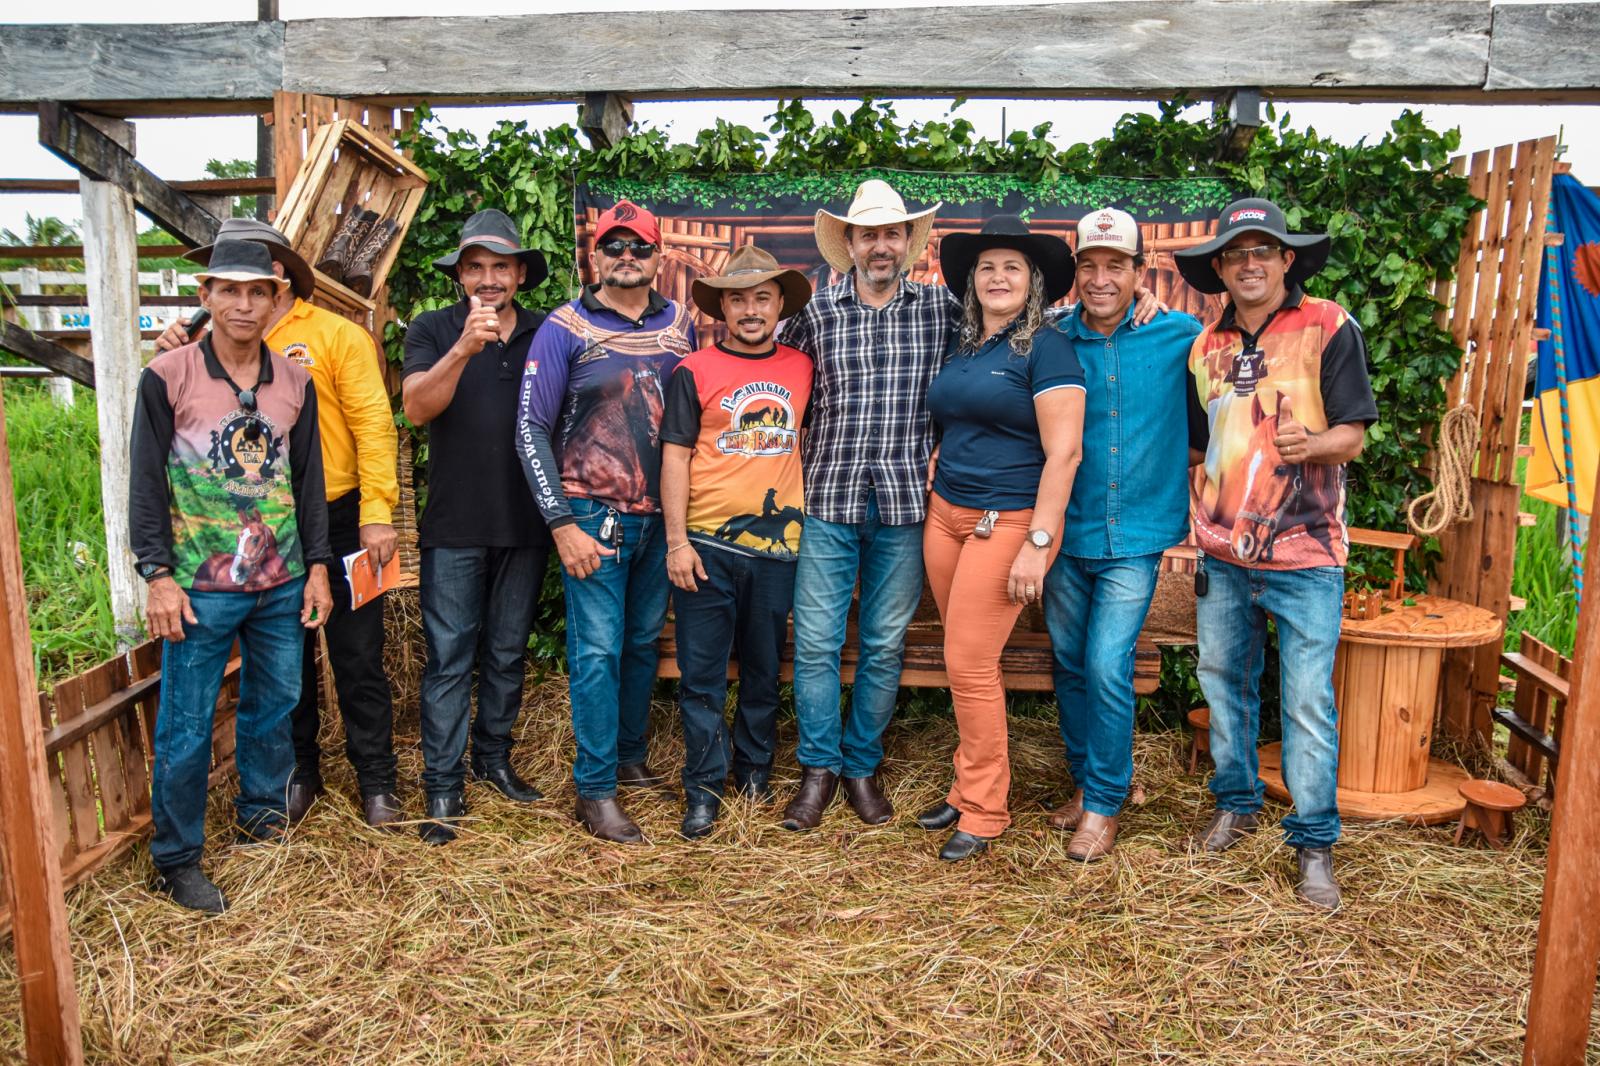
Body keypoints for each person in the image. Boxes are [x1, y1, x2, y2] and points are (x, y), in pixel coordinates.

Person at [161, 217, 402, 830]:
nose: (245, 292)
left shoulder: (335, 336)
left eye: (257, 275)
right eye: (230, 277)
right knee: (283, 664)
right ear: (214, 290)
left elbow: (375, 423)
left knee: (357, 654)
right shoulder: (207, 335)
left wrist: (378, 513)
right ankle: (298, 776)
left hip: (341, 516)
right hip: (259, 519)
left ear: (279, 275)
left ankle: (376, 779)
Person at [1174, 197, 1378, 910]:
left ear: (1287, 259)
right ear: (1221, 269)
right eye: (1236, 254)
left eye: (1263, 251)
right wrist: (1193, 520)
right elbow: (1200, 447)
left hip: (1307, 553)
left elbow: (1352, 434)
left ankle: (1315, 841)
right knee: (1223, 680)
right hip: (1223, 553)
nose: (1249, 263)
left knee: (1307, 703)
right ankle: (1235, 801)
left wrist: (1312, 445)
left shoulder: (1327, 325)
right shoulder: (1206, 347)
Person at [130, 240, 334, 913]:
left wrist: (316, 570)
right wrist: (157, 574)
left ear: (278, 299)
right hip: (198, 586)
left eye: (258, 292)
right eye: (229, 291)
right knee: (186, 723)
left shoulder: (294, 382)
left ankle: (261, 822)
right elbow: (144, 483)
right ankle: (178, 858)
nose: (243, 305)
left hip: (278, 584)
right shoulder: (168, 376)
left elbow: (310, 485)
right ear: (205, 294)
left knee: (272, 710)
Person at [517, 201, 697, 844]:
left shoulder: (681, 325)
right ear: (595, 256)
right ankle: (594, 791)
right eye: (613, 247)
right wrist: (561, 522)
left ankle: (628, 755)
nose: (627, 257)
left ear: (657, 258)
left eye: (639, 248)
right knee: (596, 651)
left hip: (661, 520)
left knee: (642, 643)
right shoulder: (564, 327)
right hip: (593, 514)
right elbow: (531, 428)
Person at [775, 179, 951, 831]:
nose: (881, 245)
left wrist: (1143, 302)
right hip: (827, 500)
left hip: (906, 506)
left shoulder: (940, 311)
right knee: (817, 643)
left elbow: (1009, 331)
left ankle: (861, 767)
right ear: (848, 244)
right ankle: (818, 769)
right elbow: (769, 376)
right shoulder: (814, 316)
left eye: (892, 233)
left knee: (882, 643)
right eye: (868, 233)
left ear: (907, 243)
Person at [910, 216, 1086, 862]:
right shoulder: (963, 345)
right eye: (986, 267)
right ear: (971, 282)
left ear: (1033, 280)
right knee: (967, 665)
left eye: (1012, 267)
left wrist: (1039, 542)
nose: (998, 277)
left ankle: (986, 809)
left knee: (968, 661)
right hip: (946, 516)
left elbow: (1064, 455)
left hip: (1007, 522)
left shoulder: (1047, 347)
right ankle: (966, 787)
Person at [1043, 208, 1204, 862]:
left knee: (1108, 663)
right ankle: (1091, 783)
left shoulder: (1181, 337)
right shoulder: (1051, 339)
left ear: (1142, 272)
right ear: (1076, 271)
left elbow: (1206, 434)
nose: (1102, 278)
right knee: (1070, 665)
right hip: (1062, 531)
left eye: (1117, 265)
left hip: (1135, 535)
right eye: (1090, 265)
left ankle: (1105, 806)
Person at [402, 209, 553, 844]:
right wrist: (464, 347)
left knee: (507, 652)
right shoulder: (432, 329)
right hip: (456, 522)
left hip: (526, 519)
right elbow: (415, 408)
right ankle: (443, 784)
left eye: (501, 267)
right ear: (460, 275)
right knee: (448, 657)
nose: (488, 279)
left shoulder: (548, 333)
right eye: (476, 268)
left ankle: (494, 760)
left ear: (519, 273)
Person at [660, 245, 814, 839]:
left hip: (777, 551)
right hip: (705, 546)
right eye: (739, 299)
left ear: (779, 305)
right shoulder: (693, 371)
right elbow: (673, 456)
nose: (751, 310)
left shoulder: (803, 366)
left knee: (761, 667)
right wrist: (677, 543)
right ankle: (702, 787)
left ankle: (754, 771)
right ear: (722, 306)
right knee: (701, 675)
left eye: (762, 298)